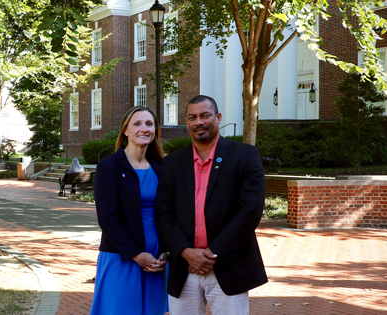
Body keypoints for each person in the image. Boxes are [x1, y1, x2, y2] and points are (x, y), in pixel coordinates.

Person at [155, 95, 268, 314]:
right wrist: (187, 252)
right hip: (184, 268)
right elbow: (163, 213)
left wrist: (211, 255)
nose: (199, 122)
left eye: (205, 115)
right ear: (187, 122)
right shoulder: (172, 163)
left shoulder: (244, 156)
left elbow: (250, 212)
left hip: (229, 265)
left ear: (218, 117)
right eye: (192, 117)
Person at [90, 106, 168, 315]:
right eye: (137, 124)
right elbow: (107, 219)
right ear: (125, 130)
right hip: (122, 256)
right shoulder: (110, 167)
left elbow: (171, 213)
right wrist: (136, 254)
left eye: (149, 124)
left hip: (156, 259)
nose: (144, 129)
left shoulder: (162, 167)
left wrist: (166, 253)